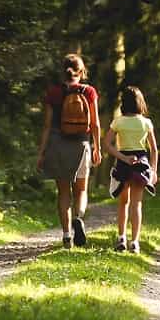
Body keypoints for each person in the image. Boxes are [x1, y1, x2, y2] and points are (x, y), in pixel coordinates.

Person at [35, 53, 102, 248]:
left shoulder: (54, 92)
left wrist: (41, 153)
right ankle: (79, 218)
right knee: (81, 190)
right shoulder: (89, 91)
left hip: (57, 143)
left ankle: (66, 236)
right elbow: (96, 123)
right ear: (82, 71)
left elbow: (47, 125)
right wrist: (97, 147)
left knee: (63, 192)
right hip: (81, 144)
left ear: (63, 71)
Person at [103, 86, 158, 253]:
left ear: (123, 103)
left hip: (123, 164)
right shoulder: (146, 123)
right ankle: (135, 242)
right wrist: (154, 171)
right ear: (140, 102)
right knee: (137, 204)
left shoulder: (118, 122)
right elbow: (154, 149)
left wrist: (123, 158)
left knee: (123, 203)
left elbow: (106, 144)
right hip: (141, 164)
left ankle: (121, 238)